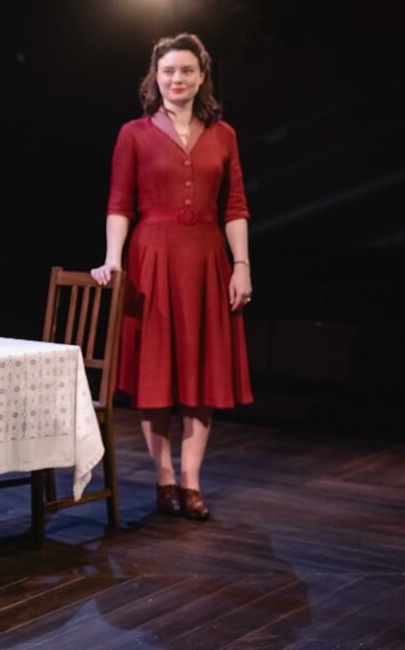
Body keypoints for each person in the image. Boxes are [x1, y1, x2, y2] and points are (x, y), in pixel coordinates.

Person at [91, 32, 253, 522]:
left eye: (186, 70)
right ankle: (164, 478)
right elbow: (119, 203)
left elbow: (236, 205)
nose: (176, 79)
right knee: (156, 375)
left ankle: (191, 481)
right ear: (154, 77)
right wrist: (112, 256)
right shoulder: (133, 133)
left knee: (202, 374)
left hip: (207, 259)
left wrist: (241, 265)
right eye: (168, 71)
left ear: (202, 75)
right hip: (152, 259)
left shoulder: (224, 135)